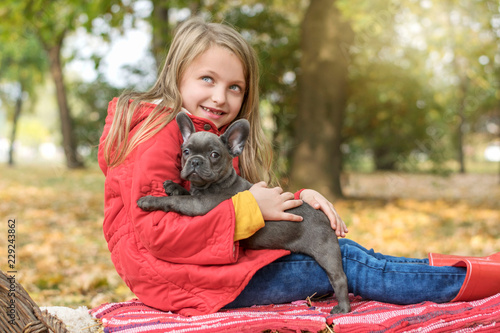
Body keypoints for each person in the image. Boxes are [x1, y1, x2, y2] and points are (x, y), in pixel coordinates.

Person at [98, 17, 500, 316]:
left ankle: (468, 270)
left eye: (234, 87)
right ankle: (476, 282)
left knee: (349, 253)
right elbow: (157, 232)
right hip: (189, 282)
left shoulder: (206, 137)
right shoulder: (159, 132)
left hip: (203, 271)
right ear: (176, 75)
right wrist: (251, 210)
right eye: (207, 79)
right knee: (351, 262)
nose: (220, 96)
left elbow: (231, 200)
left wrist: (297, 202)